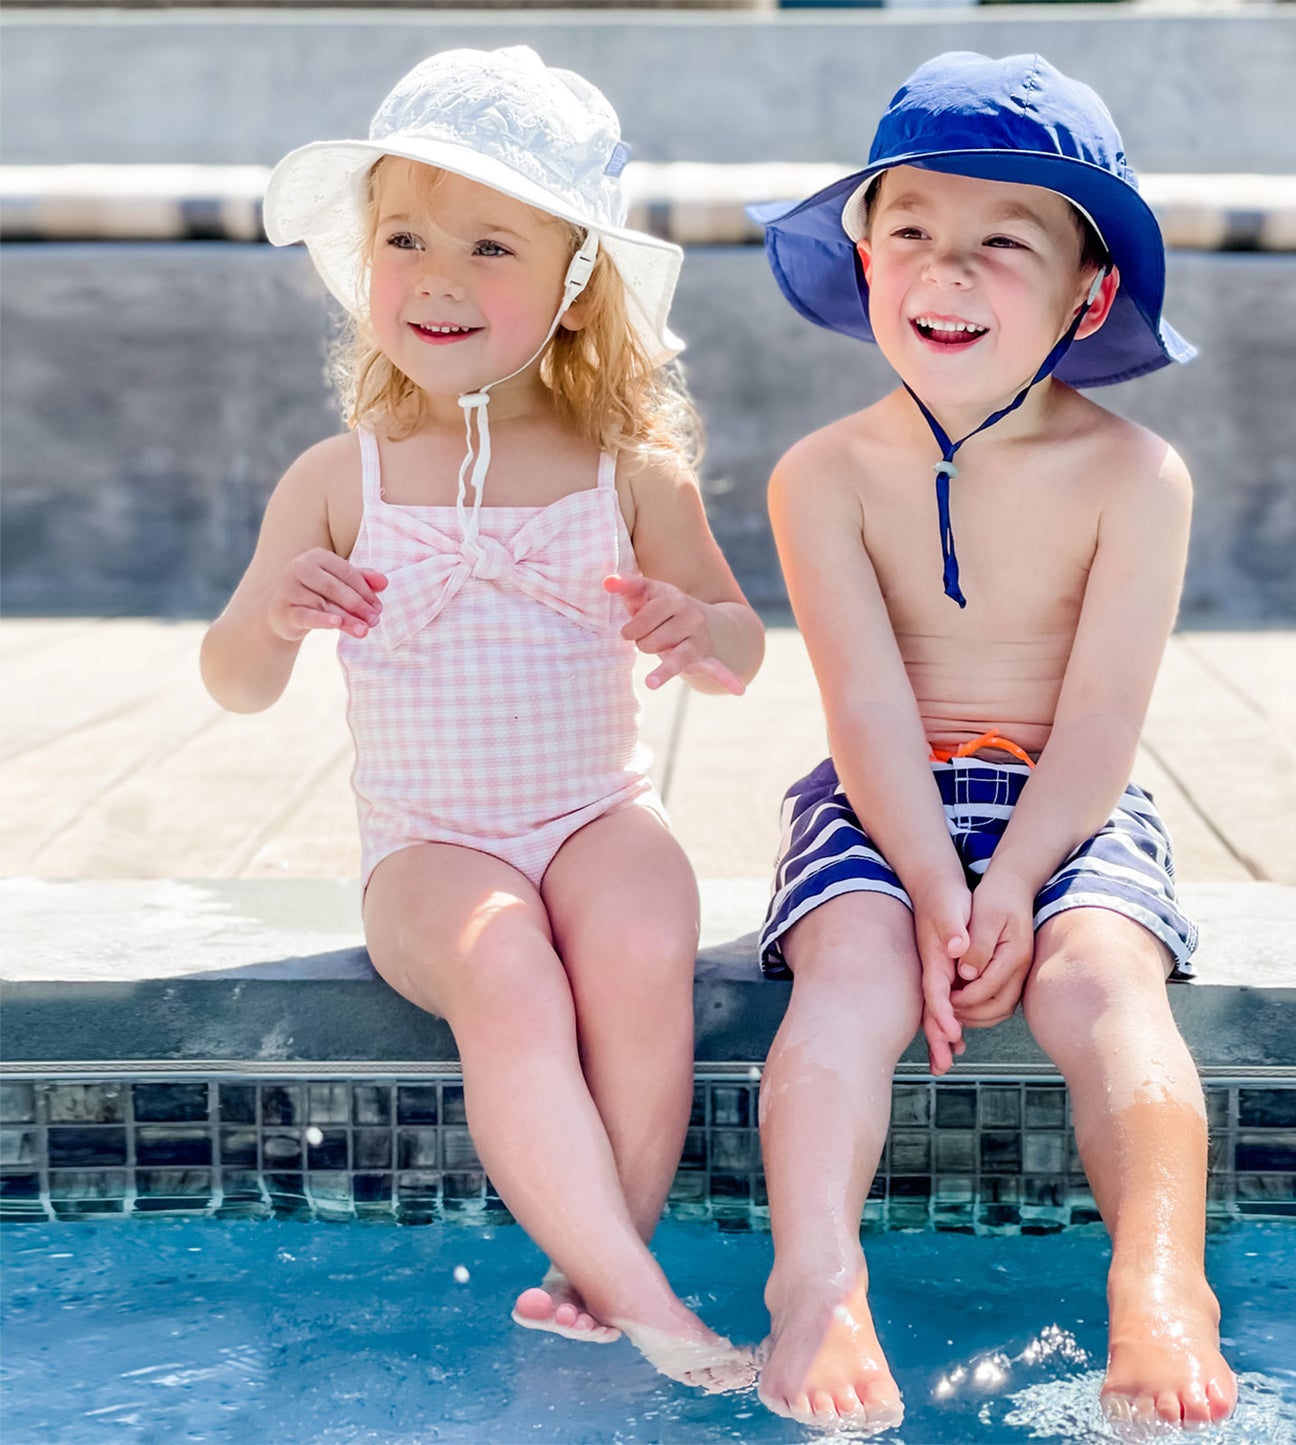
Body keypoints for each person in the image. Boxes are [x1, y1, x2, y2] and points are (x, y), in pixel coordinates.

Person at [200, 47, 763, 1391]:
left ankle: (593, 1258)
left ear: (576, 291)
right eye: (403, 237)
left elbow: (741, 641)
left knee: (640, 929)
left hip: (590, 813)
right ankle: (646, 1299)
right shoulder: (343, 477)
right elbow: (232, 680)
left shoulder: (632, 476)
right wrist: (273, 613)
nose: (437, 277)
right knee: (506, 968)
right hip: (429, 846)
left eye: (489, 246)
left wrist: (701, 635)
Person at [748, 52, 1237, 1434]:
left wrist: (1013, 882)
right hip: (878, 795)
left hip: (1061, 806)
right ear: (861, 254)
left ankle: (1158, 1279)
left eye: (997, 246)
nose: (942, 275)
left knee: (1103, 984)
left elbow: (1098, 723)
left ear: (1085, 295)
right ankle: (815, 1277)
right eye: (909, 232)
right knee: (846, 974)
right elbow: (863, 710)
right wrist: (921, 879)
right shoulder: (823, 475)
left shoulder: (1134, 477)